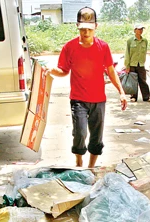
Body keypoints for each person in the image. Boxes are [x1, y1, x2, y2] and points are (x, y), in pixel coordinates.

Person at [47, 7, 127, 168]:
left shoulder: (103, 47)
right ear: (77, 26)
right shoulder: (69, 47)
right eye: (82, 29)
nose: (86, 33)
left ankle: (90, 168)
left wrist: (122, 92)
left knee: (96, 138)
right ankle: (79, 162)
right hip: (78, 99)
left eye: (89, 29)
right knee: (80, 133)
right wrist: (51, 71)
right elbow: (64, 71)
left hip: (98, 100)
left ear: (96, 27)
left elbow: (111, 71)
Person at [124, 24, 150, 102]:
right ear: (135, 30)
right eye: (139, 29)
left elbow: (145, 52)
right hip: (132, 64)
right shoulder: (130, 41)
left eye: (142, 29)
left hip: (141, 64)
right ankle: (133, 97)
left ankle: (146, 97)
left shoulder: (145, 41)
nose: (140, 30)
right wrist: (127, 65)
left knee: (143, 80)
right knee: (133, 81)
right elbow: (127, 53)